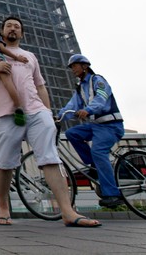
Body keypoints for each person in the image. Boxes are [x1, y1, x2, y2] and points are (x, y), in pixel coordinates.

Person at [0, 16, 101, 227]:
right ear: (2, 31)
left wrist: (48, 111)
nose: (13, 29)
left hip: (36, 110)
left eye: (17, 27)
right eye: (9, 26)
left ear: (21, 33)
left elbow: (40, 86)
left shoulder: (30, 56)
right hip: (6, 114)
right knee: (4, 164)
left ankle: (68, 211)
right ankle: (3, 206)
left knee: (50, 157)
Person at [58, 54, 125, 208]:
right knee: (72, 133)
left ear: (84, 66)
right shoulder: (80, 87)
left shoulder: (98, 80)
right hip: (95, 126)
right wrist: (59, 115)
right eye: (72, 67)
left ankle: (112, 194)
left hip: (110, 125)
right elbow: (72, 105)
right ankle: (94, 166)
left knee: (98, 151)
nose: (72, 69)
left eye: (74, 66)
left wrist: (88, 109)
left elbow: (101, 99)